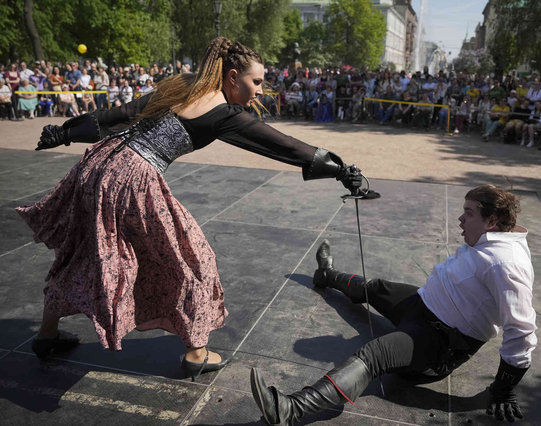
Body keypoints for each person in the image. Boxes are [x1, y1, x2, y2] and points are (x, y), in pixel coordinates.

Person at [16, 37, 362, 381]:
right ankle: (196, 353)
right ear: (231, 76)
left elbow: (119, 115)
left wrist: (64, 132)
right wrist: (341, 170)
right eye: (255, 82)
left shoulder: (181, 86)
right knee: (192, 259)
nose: (259, 91)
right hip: (132, 178)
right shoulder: (223, 114)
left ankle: (47, 335)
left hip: (99, 166)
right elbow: (282, 145)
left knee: (82, 254)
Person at [251, 185, 537, 425]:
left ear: (493, 220)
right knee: (375, 288)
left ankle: (288, 410)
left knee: (373, 354)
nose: (461, 219)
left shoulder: (506, 264)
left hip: (438, 343)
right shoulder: (488, 239)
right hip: (422, 305)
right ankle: (325, 275)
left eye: (469, 213)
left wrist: (503, 390)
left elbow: (521, 331)